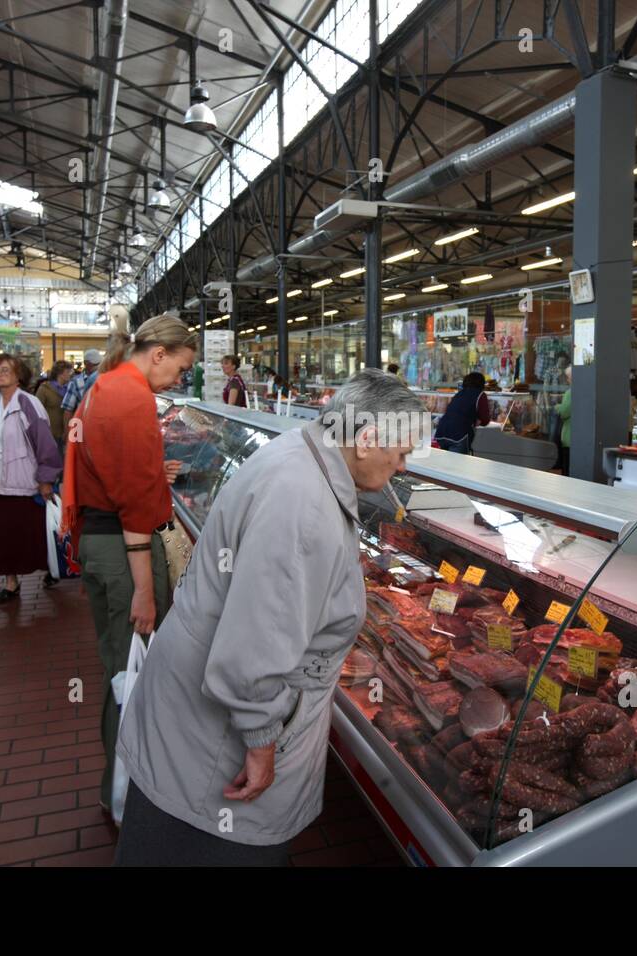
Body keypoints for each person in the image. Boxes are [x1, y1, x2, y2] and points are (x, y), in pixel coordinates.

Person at [115, 369, 428, 865]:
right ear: (367, 440)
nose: (404, 465)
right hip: (213, 749)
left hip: (185, 721)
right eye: (402, 451)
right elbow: (253, 650)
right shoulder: (304, 506)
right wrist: (262, 742)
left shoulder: (301, 454)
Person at [62, 315, 197, 815]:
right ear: (158, 354)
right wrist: (144, 588)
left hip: (99, 541)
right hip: (122, 550)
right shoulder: (132, 395)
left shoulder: (106, 383)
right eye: (181, 369)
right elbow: (136, 514)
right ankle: (128, 797)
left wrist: (148, 473)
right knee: (134, 672)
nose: (179, 381)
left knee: (121, 666)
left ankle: (124, 785)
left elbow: (106, 466)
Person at [0, 354, 62, 604]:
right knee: (3, 537)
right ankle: (11, 583)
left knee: (36, 533)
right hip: (0, 482)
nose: (0, 373)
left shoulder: (28, 403)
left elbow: (45, 444)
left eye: (6, 369)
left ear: (19, 375)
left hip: (27, 483)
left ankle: (52, 567)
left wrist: (46, 478)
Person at [433, 371, 490, 454]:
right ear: (482, 383)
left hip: (441, 432)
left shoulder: (459, 394)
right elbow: (485, 419)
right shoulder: (480, 394)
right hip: (458, 435)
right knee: (458, 465)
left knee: (444, 464)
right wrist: (478, 421)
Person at [36, 360, 74, 444]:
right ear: (60, 373)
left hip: (68, 433)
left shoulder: (71, 388)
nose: (70, 374)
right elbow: (37, 411)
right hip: (51, 433)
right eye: (67, 372)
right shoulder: (44, 389)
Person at [61, 348, 102, 418]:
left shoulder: (104, 379)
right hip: (83, 424)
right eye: (95, 364)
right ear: (86, 364)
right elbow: (68, 410)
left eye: (99, 364)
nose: (98, 367)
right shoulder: (76, 382)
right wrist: (69, 429)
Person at [554, 364, 573, 475]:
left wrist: (557, 406)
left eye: (568, 377)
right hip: (577, 438)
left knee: (566, 469)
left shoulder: (570, 393)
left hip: (569, 437)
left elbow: (564, 412)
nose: (567, 380)